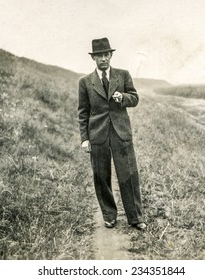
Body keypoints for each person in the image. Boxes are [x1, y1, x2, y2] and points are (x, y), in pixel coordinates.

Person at [78, 37, 146, 230]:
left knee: (129, 175)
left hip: (121, 132)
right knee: (101, 176)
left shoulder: (123, 75)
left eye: (106, 54)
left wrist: (122, 97)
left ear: (111, 55)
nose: (103, 59)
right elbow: (83, 112)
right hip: (98, 134)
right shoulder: (84, 82)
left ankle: (136, 218)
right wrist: (84, 139)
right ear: (93, 58)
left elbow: (135, 98)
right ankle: (109, 215)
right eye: (99, 55)